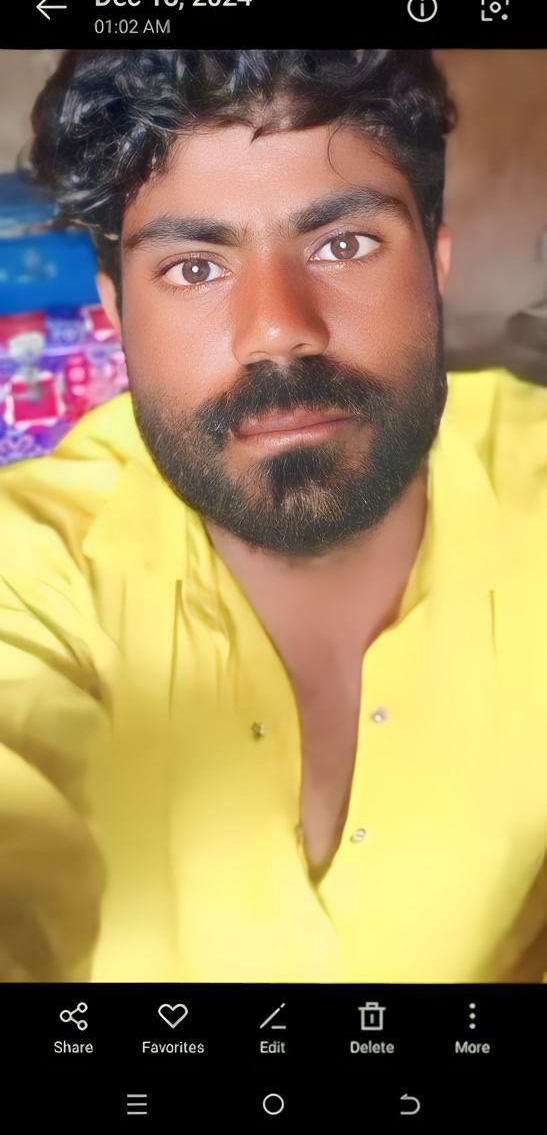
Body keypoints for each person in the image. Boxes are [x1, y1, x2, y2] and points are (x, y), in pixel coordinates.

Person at [0, 49, 545, 984]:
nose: (277, 326)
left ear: (436, 263)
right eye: (193, 266)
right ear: (115, 313)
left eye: (344, 244)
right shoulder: (31, 569)